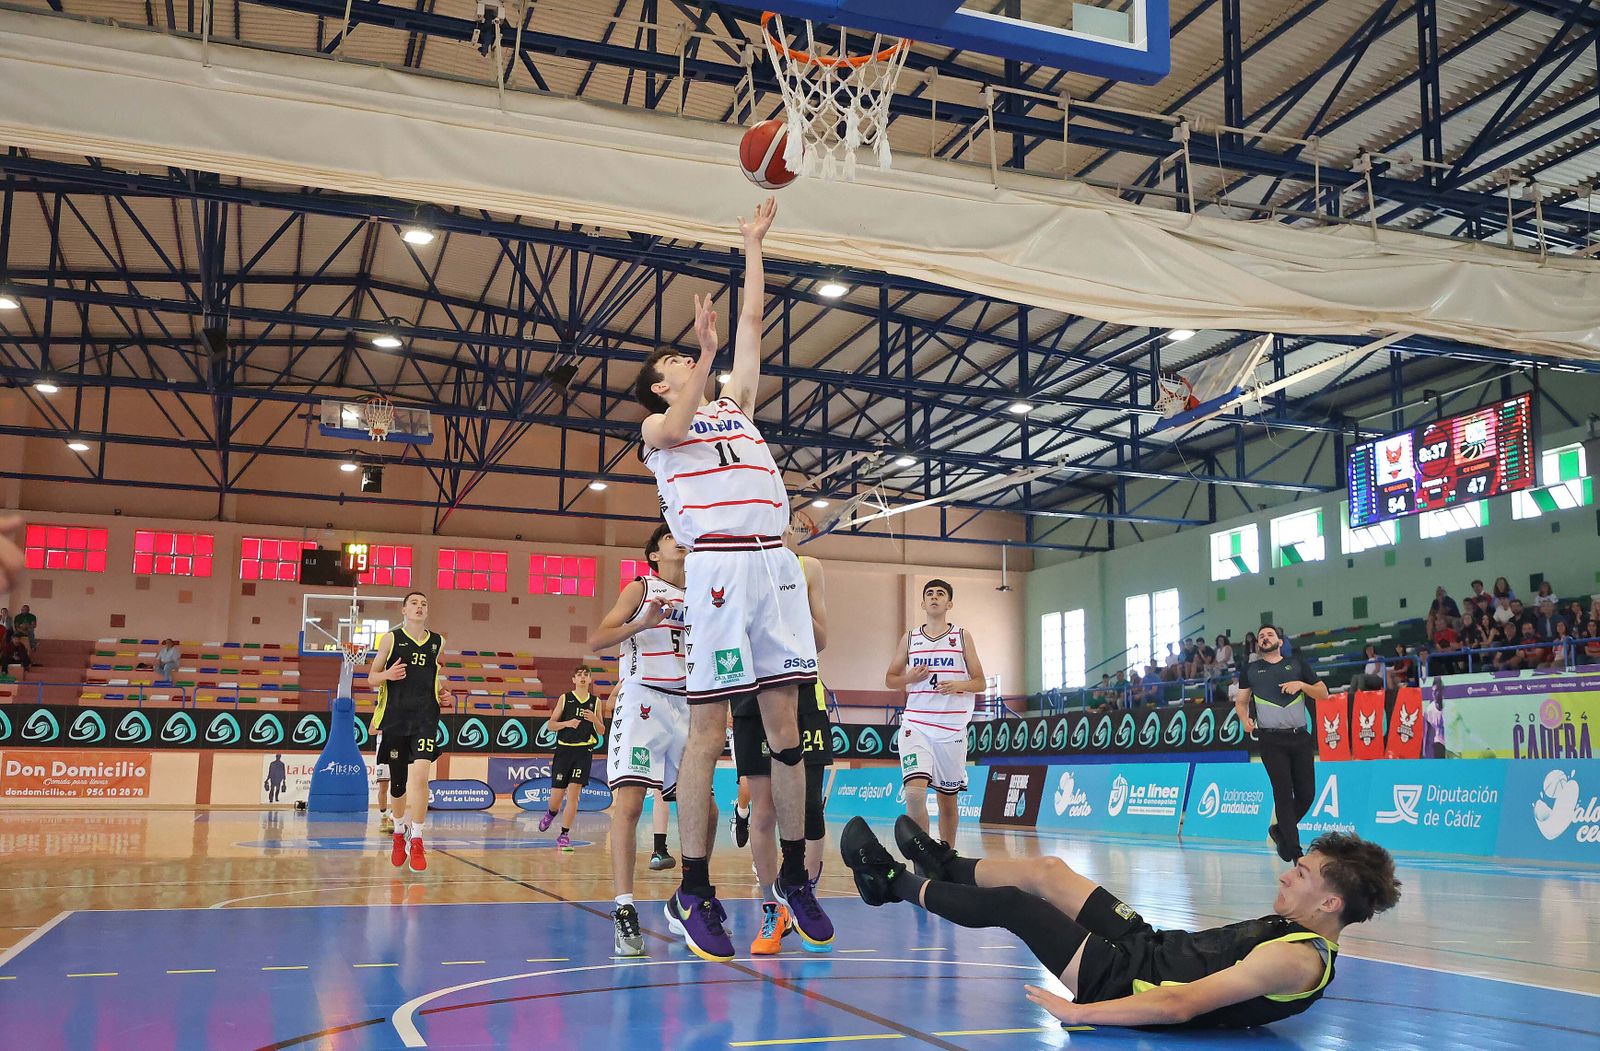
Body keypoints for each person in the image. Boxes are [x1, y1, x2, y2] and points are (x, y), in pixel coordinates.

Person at [632, 196, 830, 961]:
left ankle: (789, 880)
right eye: (673, 364)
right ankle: (692, 884)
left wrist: (752, 244)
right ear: (659, 385)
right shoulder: (656, 432)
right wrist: (702, 359)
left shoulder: (736, 406)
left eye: (686, 357)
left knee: (786, 730)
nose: (685, 361)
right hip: (715, 566)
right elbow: (678, 421)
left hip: (772, 564)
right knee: (710, 733)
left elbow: (752, 324)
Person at [839, 817, 1399, 1031]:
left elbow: (1178, 1005)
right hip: (1147, 946)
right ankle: (947, 865)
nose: (1286, 876)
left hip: (1119, 978)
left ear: (1330, 905)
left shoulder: (1295, 959)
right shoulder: (1297, 926)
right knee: (1049, 872)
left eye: (1300, 874)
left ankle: (890, 883)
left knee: (1017, 904)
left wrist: (1081, 1012)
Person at [730, 519, 833, 955]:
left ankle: (804, 893)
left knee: (807, 808)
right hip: (750, 694)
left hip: (800, 691)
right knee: (764, 811)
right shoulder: (736, 565)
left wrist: (788, 600)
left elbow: (822, 638)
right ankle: (772, 911)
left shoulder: (807, 566)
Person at [590, 523, 691, 956]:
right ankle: (625, 909)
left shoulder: (705, 590)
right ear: (653, 554)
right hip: (643, 699)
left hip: (688, 704)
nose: (679, 540)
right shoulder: (640, 588)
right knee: (630, 806)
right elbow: (596, 640)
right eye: (669, 537)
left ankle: (693, 895)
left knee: (701, 808)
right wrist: (640, 623)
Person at [886, 579, 987, 853]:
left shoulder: (962, 637)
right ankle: (922, 855)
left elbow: (980, 682)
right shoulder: (910, 638)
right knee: (915, 794)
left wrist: (959, 685)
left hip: (952, 729)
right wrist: (910, 677)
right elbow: (891, 679)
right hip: (916, 725)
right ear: (922, 603)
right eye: (929, 593)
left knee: (947, 802)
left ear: (949, 604)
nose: (934, 597)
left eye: (940, 594)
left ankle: (946, 857)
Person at [366, 591, 453, 874]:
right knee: (399, 784)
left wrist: (444, 693)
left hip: (425, 718)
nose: (419, 607)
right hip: (395, 719)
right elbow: (371, 679)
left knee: (421, 779)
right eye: (414, 603)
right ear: (404, 610)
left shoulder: (437, 642)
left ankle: (417, 838)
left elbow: (434, 678)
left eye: (424, 603)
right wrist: (387, 676)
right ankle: (398, 833)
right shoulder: (391, 639)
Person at [1235, 625, 1328, 864]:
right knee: (1283, 794)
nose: (1265, 638)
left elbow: (1323, 693)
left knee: (1307, 794)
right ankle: (1296, 853)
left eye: (1269, 635)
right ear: (1258, 644)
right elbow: (1241, 701)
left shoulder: (1297, 665)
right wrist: (1244, 719)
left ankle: (1280, 831)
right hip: (1271, 740)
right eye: (1261, 636)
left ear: (1280, 640)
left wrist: (1302, 686)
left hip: (1300, 738)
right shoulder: (1251, 670)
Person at [541, 666, 604, 852]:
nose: (583, 677)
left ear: (590, 680)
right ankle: (551, 813)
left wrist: (594, 719)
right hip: (564, 752)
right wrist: (567, 723)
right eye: (579, 675)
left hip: (583, 752)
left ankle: (564, 834)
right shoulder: (565, 698)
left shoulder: (596, 702)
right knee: (556, 798)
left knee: (573, 795)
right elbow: (551, 725)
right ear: (574, 680)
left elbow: (602, 731)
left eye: (586, 675)